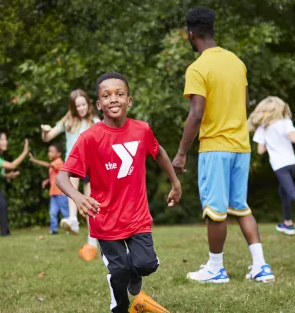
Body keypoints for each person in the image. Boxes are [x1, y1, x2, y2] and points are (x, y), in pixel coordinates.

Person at [56, 72, 181, 313]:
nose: (113, 99)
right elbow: (63, 176)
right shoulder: (89, 138)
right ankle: (119, 306)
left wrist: (175, 183)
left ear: (129, 100)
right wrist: (79, 196)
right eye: (106, 95)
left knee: (146, 265)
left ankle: (134, 274)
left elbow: (160, 152)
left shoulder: (142, 130)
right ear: (98, 104)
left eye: (119, 94)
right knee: (119, 270)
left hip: (137, 216)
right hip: (105, 218)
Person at [172, 6, 274, 283]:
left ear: (191, 34)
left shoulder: (198, 68)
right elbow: (243, 104)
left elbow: (196, 114)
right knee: (240, 206)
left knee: (216, 211)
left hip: (216, 148)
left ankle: (216, 268)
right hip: (241, 146)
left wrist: (181, 153)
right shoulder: (236, 62)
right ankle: (261, 266)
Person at [248, 96, 295, 235]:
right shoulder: (285, 122)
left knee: (291, 192)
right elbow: (293, 137)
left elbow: (260, 151)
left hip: (279, 165)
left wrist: (269, 142)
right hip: (291, 163)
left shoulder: (263, 127)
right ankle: (288, 224)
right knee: (283, 192)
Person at [41, 89, 100, 260]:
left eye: (83, 105)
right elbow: (48, 137)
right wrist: (45, 131)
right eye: (77, 106)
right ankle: (73, 219)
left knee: (89, 202)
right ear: (73, 107)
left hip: (91, 165)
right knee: (71, 190)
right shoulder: (68, 121)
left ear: (88, 105)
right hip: (73, 162)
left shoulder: (95, 122)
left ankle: (92, 238)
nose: (81, 108)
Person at [29, 143, 69, 234]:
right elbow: (55, 176)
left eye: (51, 152)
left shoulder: (58, 162)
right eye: (49, 152)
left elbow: (48, 165)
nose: (49, 154)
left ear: (58, 154)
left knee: (65, 212)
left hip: (61, 193)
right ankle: (54, 230)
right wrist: (47, 181)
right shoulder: (53, 164)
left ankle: (69, 229)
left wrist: (35, 160)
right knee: (52, 212)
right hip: (53, 193)